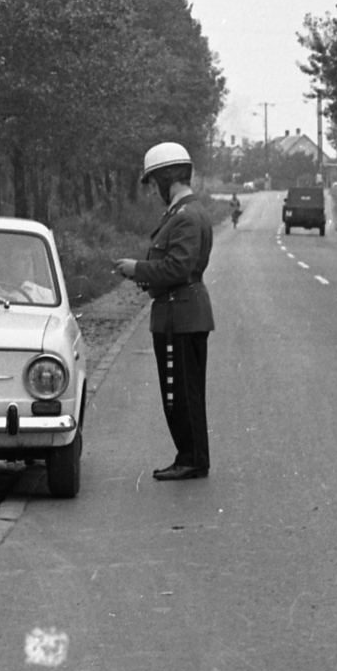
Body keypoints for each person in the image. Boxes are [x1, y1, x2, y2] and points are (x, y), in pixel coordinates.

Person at [114, 142, 213, 481]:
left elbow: (178, 268)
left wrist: (137, 269)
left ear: (166, 178)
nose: (154, 189)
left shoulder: (184, 216)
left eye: (154, 181)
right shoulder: (184, 212)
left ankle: (191, 459)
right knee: (185, 391)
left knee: (179, 392)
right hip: (181, 311)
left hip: (180, 315)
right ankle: (193, 456)